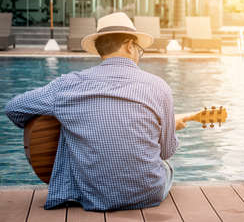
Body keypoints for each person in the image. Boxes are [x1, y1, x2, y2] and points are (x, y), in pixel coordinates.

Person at [5, 12, 187, 211]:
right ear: (129, 45)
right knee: (167, 167)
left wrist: (62, 124)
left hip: (92, 196)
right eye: (139, 50)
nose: (138, 55)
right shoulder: (159, 87)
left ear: (100, 49)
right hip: (147, 194)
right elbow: (167, 151)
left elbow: (14, 108)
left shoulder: (69, 85)